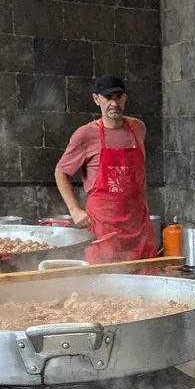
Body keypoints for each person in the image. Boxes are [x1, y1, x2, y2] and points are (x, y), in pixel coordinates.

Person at [54, 75, 158, 263]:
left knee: (144, 277)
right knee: (103, 277)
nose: (114, 104)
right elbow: (61, 172)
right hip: (103, 227)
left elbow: (140, 175)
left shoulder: (138, 128)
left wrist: (146, 207)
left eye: (119, 97)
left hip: (138, 227)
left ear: (125, 98)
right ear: (96, 99)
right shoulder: (85, 134)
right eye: (108, 98)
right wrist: (75, 210)